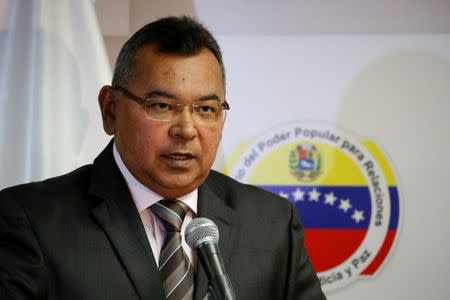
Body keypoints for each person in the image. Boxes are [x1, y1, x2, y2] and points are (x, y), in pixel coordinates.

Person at [0, 16, 326, 300]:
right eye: (161, 106)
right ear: (110, 109)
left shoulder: (272, 224)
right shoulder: (30, 221)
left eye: (206, 109)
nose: (186, 129)